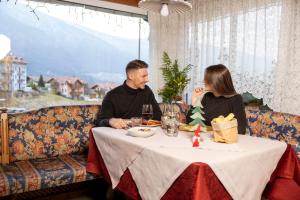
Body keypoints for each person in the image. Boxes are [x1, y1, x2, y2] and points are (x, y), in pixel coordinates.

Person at [98, 59, 162, 129]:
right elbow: (101, 121)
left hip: (145, 133)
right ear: (131, 76)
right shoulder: (112, 95)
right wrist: (110, 121)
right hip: (121, 135)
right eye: (143, 76)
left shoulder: (147, 91)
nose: (147, 80)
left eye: (147, 76)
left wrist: (138, 121)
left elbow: (158, 115)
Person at [187, 64, 247, 134]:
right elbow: (190, 122)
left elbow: (240, 130)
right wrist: (195, 101)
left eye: (207, 79)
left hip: (224, 142)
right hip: (207, 140)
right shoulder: (207, 96)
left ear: (217, 81)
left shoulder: (236, 99)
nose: (204, 81)